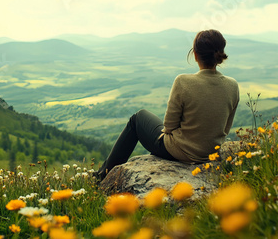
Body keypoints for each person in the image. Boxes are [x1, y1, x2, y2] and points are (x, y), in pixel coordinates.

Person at [96, 29, 239, 181]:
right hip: (210, 154)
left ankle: (101, 177)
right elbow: (225, 129)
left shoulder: (183, 81)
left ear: (195, 55)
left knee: (138, 118)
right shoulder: (233, 85)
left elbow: (169, 126)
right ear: (220, 56)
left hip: (178, 152)